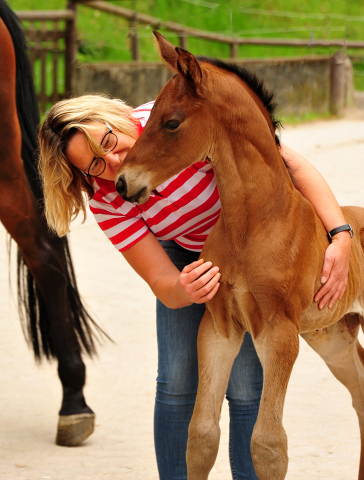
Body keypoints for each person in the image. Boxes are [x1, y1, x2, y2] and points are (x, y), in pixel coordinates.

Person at [38, 94, 352, 480]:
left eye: (108, 141)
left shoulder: (176, 121)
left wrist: (340, 234)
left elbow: (295, 166)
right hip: (187, 252)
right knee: (175, 378)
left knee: (247, 385)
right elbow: (161, 280)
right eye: (97, 165)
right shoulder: (109, 193)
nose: (115, 161)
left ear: (114, 117)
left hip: (256, 244)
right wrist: (186, 288)